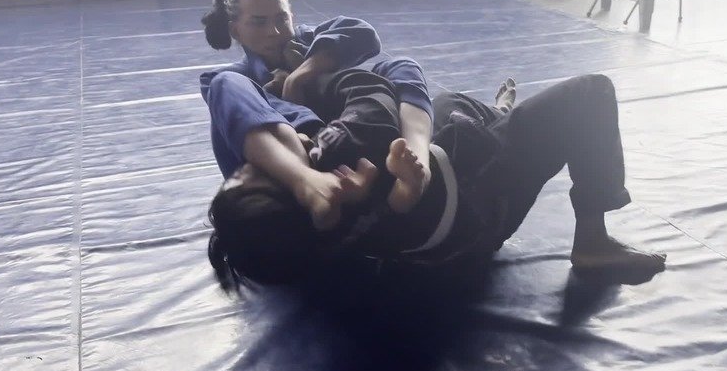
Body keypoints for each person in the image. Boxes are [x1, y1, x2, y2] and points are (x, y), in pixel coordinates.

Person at [207, 58, 668, 291]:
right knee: (590, 93)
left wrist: (293, 110)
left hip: (430, 244)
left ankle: (498, 111)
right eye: (258, 166)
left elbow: (233, 102)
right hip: (480, 200)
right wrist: (311, 80)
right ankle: (592, 240)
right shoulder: (337, 153)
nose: (251, 158)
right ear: (290, 181)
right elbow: (395, 76)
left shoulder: (292, 239)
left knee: (449, 107)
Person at [198, 0, 435, 223]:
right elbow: (258, 109)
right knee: (224, 83)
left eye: (282, 19)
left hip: (340, 146)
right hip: (285, 179)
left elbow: (363, 33)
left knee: (401, 65)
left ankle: (416, 165)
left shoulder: (306, 42)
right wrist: (291, 98)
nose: (274, 32)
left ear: (292, 16)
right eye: (258, 22)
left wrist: (301, 74)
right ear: (235, 30)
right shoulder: (228, 79)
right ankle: (307, 183)